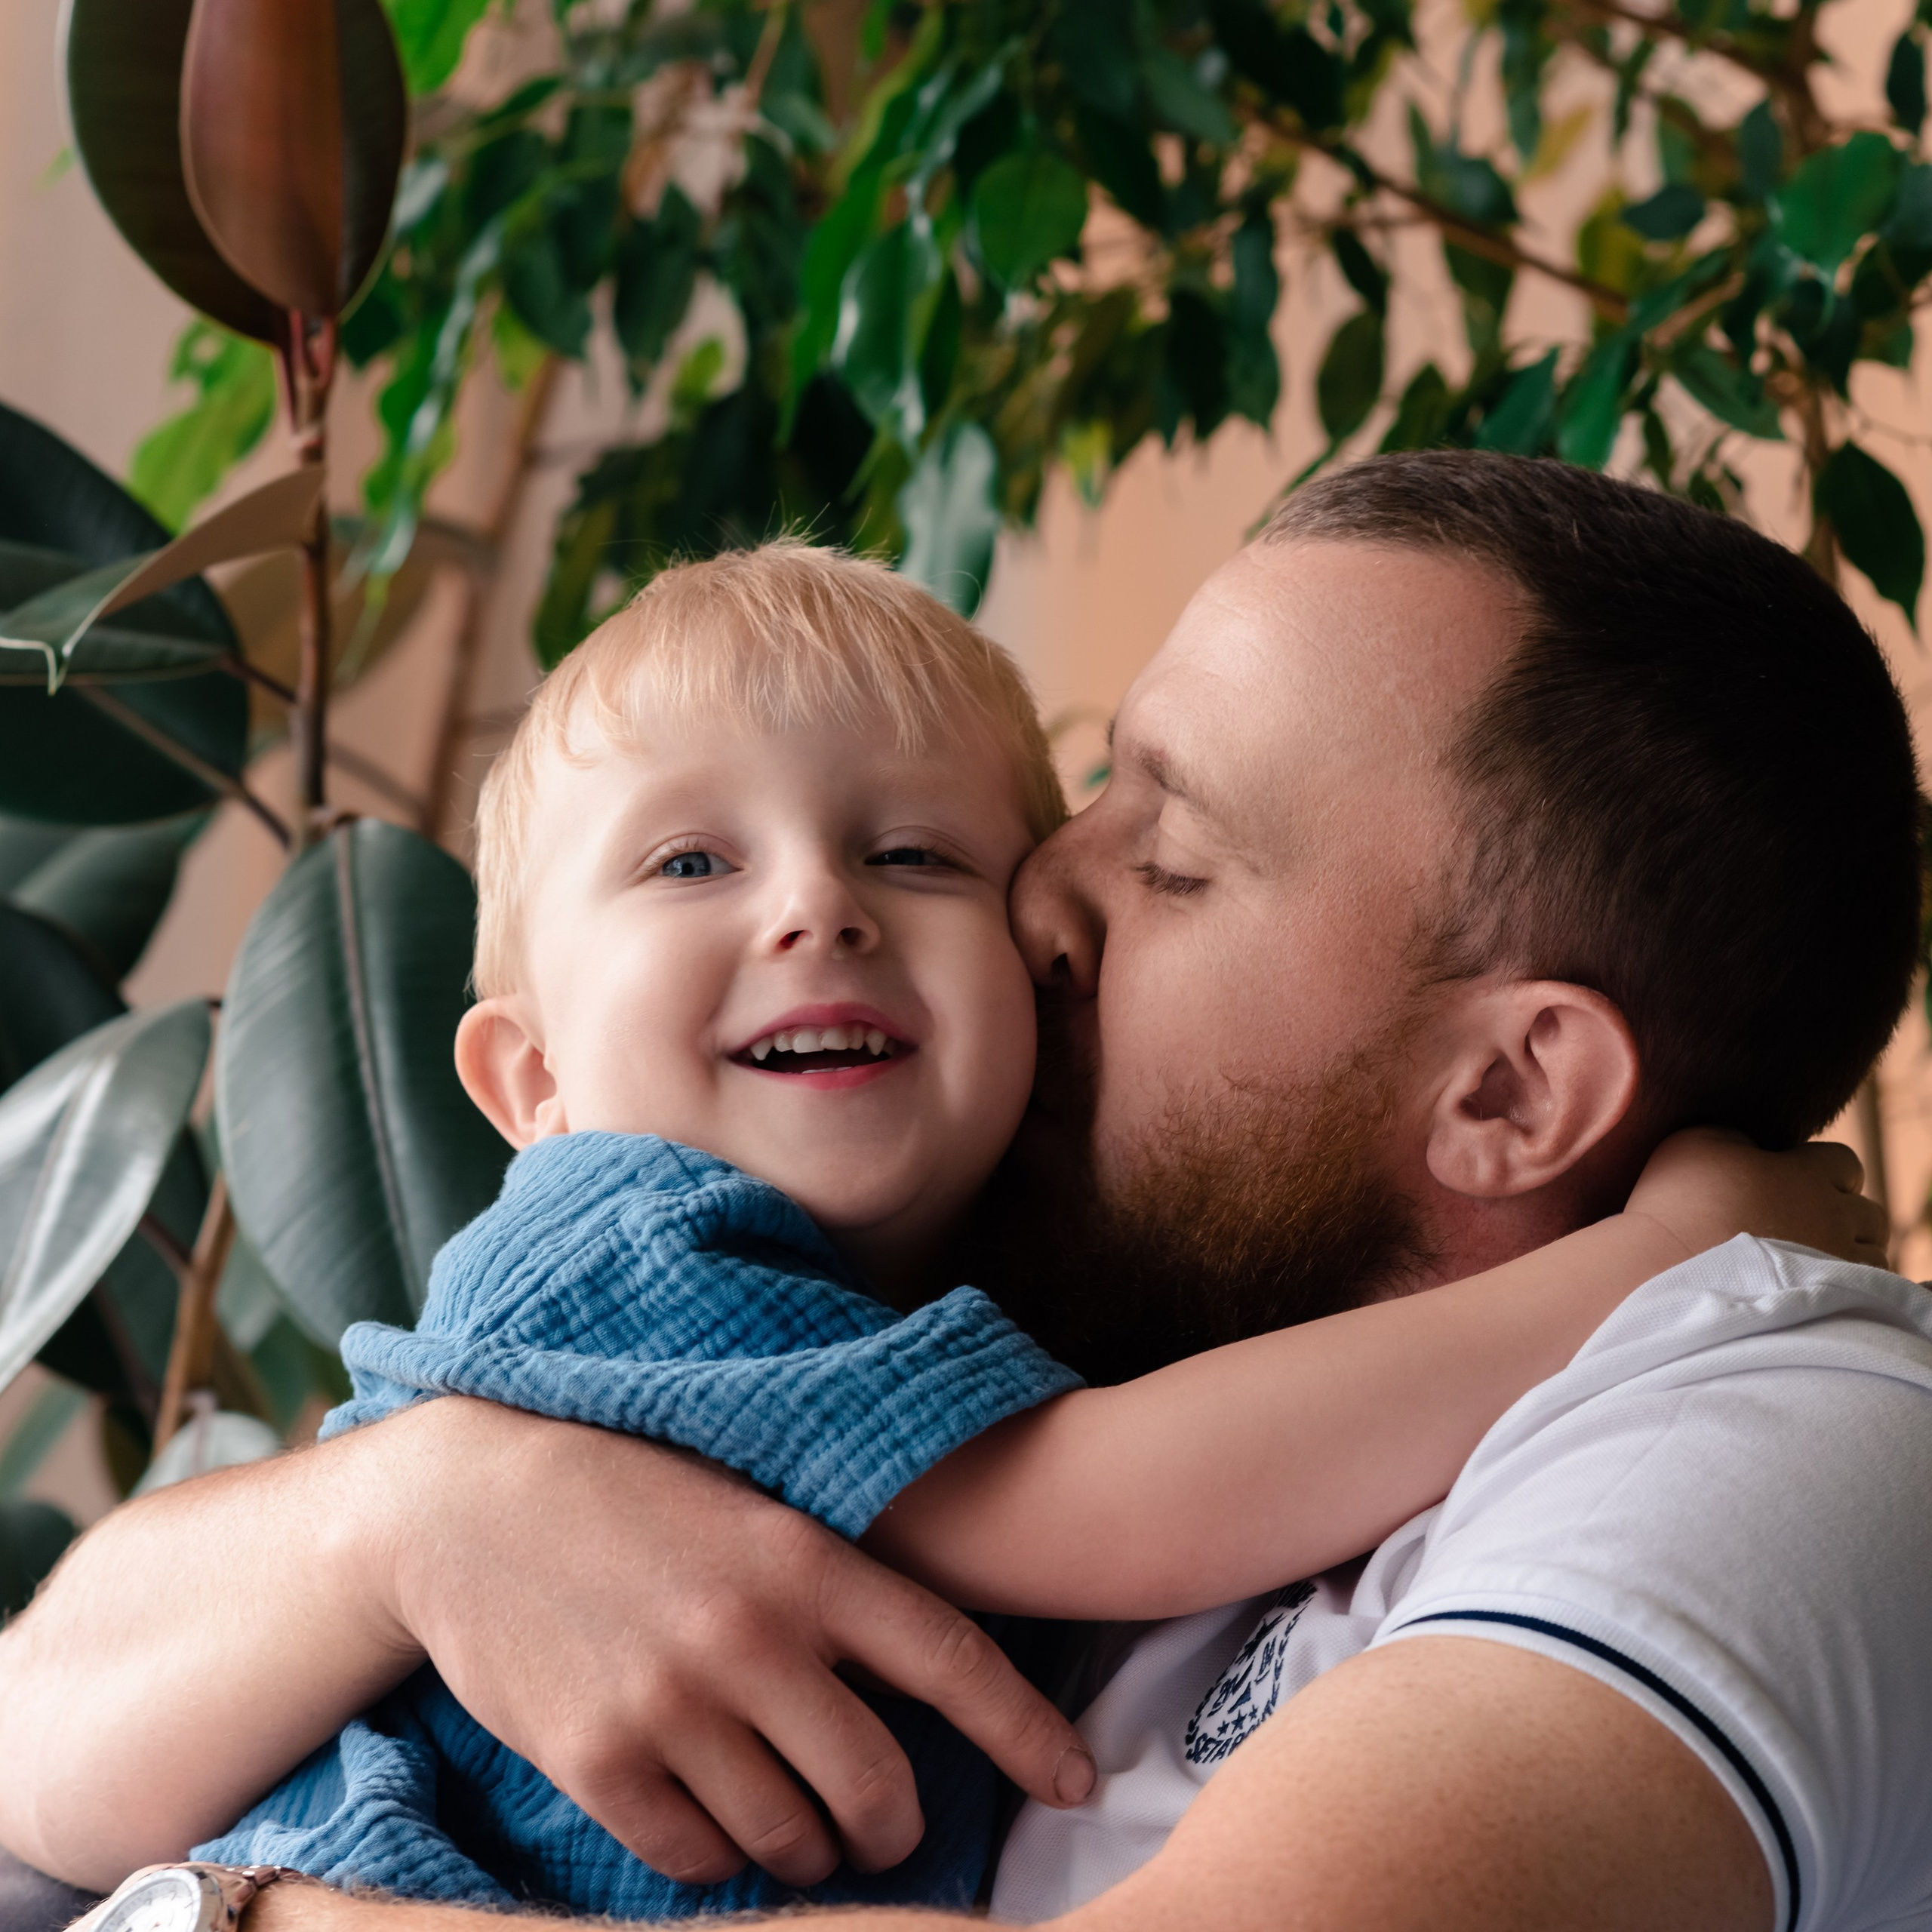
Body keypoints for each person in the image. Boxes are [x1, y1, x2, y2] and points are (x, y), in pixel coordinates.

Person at [5, 452, 1930, 1932]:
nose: (1034, 899)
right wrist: (403, 1515)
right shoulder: (825, 1275)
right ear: (522, 1067)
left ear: (1508, 1087)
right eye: (1086, 794)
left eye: (1161, 856)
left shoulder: (1787, 1431)